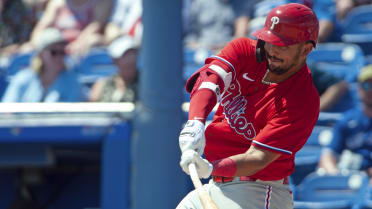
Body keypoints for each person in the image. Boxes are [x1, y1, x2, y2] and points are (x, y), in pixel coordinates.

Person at [177, 3, 320, 209]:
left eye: (283, 45)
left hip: (258, 190)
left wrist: (210, 168)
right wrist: (196, 122)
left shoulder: (303, 99)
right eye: (270, 41)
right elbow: (209, 79)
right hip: (216, 185)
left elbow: (258, 158)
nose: (272, 50)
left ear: (306, 49)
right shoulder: (244, 50)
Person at [318, 64, 372, 183]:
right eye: (367, 85)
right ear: (359, 89)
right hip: (352, 178)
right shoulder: (347, 121)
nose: (370, 90)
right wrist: (338, 178)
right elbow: (328, 156)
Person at [2, 27, 84, 102]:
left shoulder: (72, 81)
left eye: (62, 52)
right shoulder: (23, 78)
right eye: (54, 52)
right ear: (41, 54)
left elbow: (71, 116)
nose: (59, 56)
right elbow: (8, 111)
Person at [22, 0, 113, 56]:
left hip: (83, 46)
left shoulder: (100, 2)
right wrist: (34, 43)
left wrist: (78, 43)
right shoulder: (57, 3)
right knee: (28, 49)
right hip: (58, 46)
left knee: (94, 40)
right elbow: (42, 27)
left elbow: (96, 25)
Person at [89, 35, 139, 102]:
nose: (131, 60)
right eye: (125, 55)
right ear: (115, 60)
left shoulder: (145, 85)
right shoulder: (102, 84)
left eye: (133, 54)